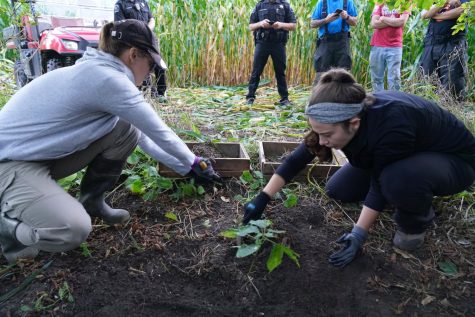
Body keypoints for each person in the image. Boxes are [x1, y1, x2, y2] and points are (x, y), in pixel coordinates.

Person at [0, 20, 220, 264]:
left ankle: (92, 202)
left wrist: (185, 168)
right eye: (150, 65)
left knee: (126, 128)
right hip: (10, 163)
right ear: (133, 55)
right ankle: (6, 226)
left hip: (41, 154)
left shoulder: (101, 72)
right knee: (72, 230)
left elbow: (143, 135)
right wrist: (195, 162)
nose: (150, 73)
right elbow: (160, 132)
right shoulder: (106, 79)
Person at [243, 68, 475, 267]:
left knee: (395, 179)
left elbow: (378, 183)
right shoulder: (339, 114)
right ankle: (408, 189)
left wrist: (358, 234)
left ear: (353, 124)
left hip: (454, 162)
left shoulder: (392, 123)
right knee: (338, 189)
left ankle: (416, 219)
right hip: (407, 152)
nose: (322, 141)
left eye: (328, 135)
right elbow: (297, 159)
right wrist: (263, 197)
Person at [245, 0, 296, 106]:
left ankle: (284, 98)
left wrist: (280, 25)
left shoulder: (285, 5)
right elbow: (250, 26)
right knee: (256, 71)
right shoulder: (260, 5)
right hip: (262, 43)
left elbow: (293, 26)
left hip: (278, 44)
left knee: (280, 72)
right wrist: (261, 24)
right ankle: (250, 97)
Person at [114, 0, 167, 99]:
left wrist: (147, 29)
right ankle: (148, 93)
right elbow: (120, 24)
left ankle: (161, 93)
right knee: (142, 65)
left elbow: (152, 19)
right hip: (134, 41)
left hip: (149, 37)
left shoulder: (143, 2)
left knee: (159, 65)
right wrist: (138, 31)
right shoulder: (120, 4)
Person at [420, 0, 468, 101]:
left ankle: (452, 112)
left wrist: (436, 15)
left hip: (453, 42)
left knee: (453, 83)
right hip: (432, 42)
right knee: (427, 82)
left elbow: (463, 10)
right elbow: (424, 14)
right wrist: (444, 1)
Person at [310, 0, 357, 84]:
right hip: (325, 42)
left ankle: (343, 96)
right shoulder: (321, 2)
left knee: (343, 74)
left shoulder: (348, 2)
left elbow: (354, 22)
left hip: (342, 43)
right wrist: (326, 20)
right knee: (321, 74)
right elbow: (312, 24)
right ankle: (320, 96)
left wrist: (347, 17)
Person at [369, 2, 410, 92]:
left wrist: (383, 18)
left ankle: (395, 102)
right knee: (376, 79)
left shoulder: (405, 2)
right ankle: (379, 101)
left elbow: (402, 21)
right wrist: (392, 21)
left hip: (395, 46)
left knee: (394, 79)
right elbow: (374, 23)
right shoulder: (380, 2)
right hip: (377, 45)